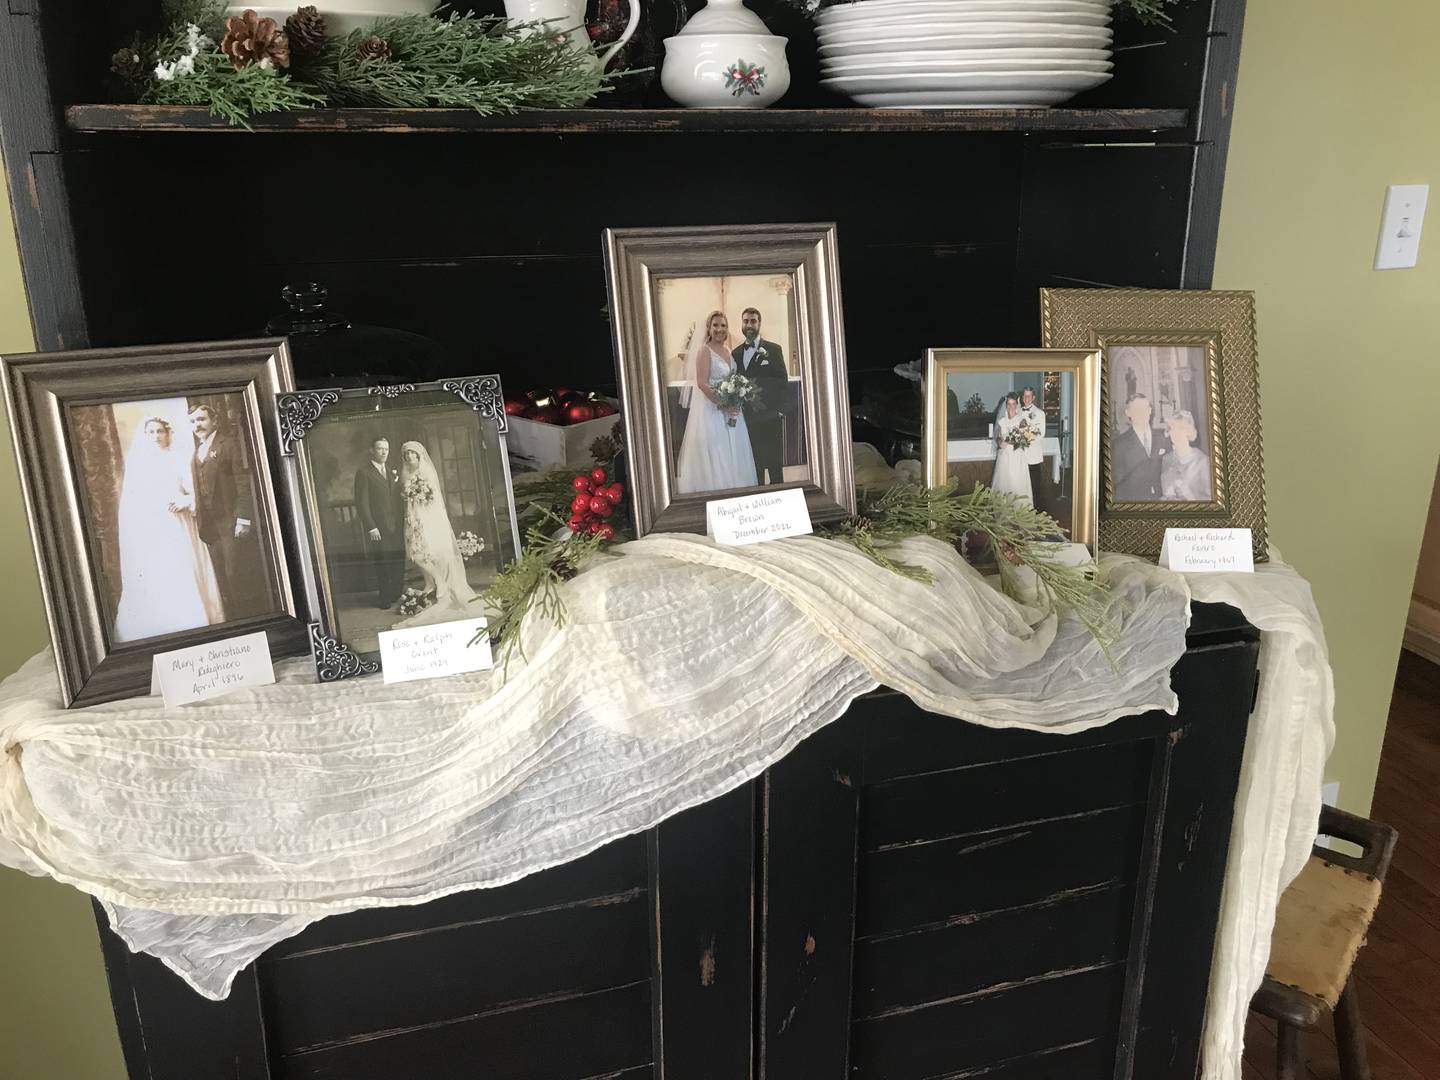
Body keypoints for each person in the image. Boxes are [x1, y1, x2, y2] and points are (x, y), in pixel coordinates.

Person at [112, 416, 225, 643]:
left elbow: (196, 489)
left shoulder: (179, 458)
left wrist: (186, 501)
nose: (156, 436)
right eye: (151, 432)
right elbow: (134, 501)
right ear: (146, 436)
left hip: (180, 522)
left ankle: (197, 622)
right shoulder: (138, 464)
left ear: (167, 433)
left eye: (160, 431)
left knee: (185, 565)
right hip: (155, 526)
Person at [189, 403, 261, 619]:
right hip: (210, 525)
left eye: (201, 419)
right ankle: (233, 621)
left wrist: (243, 519)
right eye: (193, 422)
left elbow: (242, 483)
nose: (197, 425)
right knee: (219, 575)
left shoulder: (228, 445)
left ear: (214, 420)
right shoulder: (197, 452)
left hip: (230, 520)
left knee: (234, 573)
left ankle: (248, 620)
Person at [675, 311, 759, 494]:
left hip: (732, 410)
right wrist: (724, 404)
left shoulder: (728, 351)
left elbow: (732, 379)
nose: (720, 329)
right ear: (709, 328)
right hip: (711, 410)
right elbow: (702, 383)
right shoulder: (704, 350)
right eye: (716, 325)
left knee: (733, 451)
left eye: (723, 325)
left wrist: (736, 397)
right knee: (717, 451)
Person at [396, 441, 479, 622]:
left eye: (412, 453)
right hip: (411, 517)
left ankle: (439, 583)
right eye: (407, 454)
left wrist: (418, 496)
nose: (410, 456)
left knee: (424, 553)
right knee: (415, 553)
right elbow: (405, 497)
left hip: (427, 518)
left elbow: (433, 499)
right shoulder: (405, 473)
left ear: (419, 456)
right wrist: (409, 500)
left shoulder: (425, 472)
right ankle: (430, 583)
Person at [732, 307, 789, 486]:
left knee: (774, 466)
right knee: (754, 466)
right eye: (746, 321)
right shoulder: (735, 353)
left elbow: (782, 381)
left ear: (759, 324)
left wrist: (780, 410)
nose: (749, 325)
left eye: (753, 321)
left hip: (770, 416)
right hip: (748, 419)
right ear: (742, 324)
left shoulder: (773, 349)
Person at [353, 436, 405, 609]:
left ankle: (396, 594)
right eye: (380, 448)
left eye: (387, 449)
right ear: (372, 450)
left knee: (398, 559)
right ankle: (384, 598)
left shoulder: (391, 471)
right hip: (379, 527)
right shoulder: (364, 472)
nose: (384, 452)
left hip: (396, 526)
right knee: (383, 562)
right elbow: (362, 503)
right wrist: (371, 527)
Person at [1112, 393, 1169, 501]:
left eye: (1144, 408)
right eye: (1136, 409)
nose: (1142, 413)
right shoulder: (1119, 444)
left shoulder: (1164, 437)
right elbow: (1117, 485)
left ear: (1150, 411)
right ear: (1128, 413)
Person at [991, 393, 1033, 507]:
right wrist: (1000, 442)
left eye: (1013, 404)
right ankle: (1005, 511)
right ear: (1006, 405)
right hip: (1004, 457)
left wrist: (1009, 442)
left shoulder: (1021, 420)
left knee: (1016, 483)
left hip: (1016, 456)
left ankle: (1020, 509)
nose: (1011, 407)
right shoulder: (1002, 421)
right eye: (1008, 404)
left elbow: (1025, 440)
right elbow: (998, 436)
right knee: (1004, 483)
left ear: (1017, 404)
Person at [1160, 410, 1213, 501]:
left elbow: (1211, 501)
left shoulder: (1203, 462)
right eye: (1172, 428)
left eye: (1181, 428)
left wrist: (1189, 495)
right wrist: (1168, 497)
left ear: (1189, 431)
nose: (1176, 433)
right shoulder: (1166, 460)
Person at [1017, 386, 1047, 506]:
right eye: (1024, 396)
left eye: (1029, 396)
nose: (1026, 398)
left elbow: (1041, 433)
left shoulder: (1039, 413)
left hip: (1033, 455)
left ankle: (1036, 510)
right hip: (1019, 454)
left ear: (1033, 397)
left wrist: (1025, 440)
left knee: (1035, 484)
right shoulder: (1017, 411)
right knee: (1021, 483)